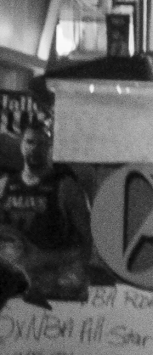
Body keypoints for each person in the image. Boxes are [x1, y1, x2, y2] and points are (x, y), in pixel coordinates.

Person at [0, 116, 93, 301]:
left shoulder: (65, 187)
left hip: (53, 283)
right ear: (21, 144)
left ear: (52, 147)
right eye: (30, 142)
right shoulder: (4, 185)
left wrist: (46, 259)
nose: (35, 148)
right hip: (11, 285)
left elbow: (87, 240)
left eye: (43, 144)